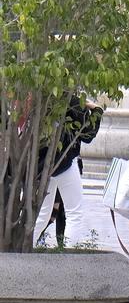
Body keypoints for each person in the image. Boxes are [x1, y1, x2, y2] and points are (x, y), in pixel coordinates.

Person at [32, 95, 103, 247]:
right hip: (65, 162)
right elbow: (88, 135)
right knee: (74, 214)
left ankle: (24, 251)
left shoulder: (39, 97)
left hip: (41, 163)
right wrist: (97, 111)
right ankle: (70, 259)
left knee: (42, 214)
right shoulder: (71, 99)